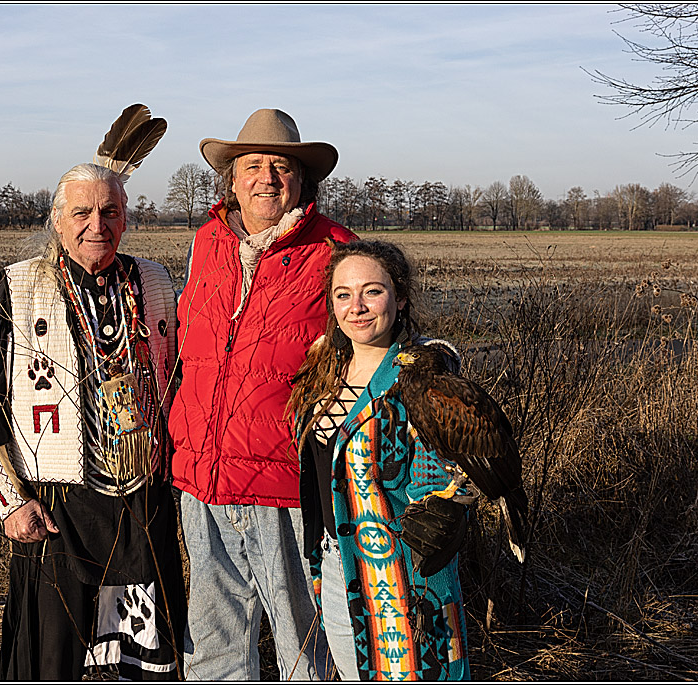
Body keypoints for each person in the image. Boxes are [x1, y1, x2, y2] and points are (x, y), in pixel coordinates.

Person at [0, 162, 186, 680]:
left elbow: (185, 380)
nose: (96, 224)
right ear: (58, 221)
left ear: (126, 220)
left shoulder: (156, 283)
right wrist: (9, 504)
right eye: (81, 212)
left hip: (142, 506)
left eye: (110, 211)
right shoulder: (18, 291)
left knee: (144, 659)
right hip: (57, 510)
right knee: (53, 658)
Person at [168, 108, 356, 680]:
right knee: (214, 644)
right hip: (202, 481)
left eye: (281, 166)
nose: (266, 177)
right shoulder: (208, 243)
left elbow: (373, 355)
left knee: (305, 646)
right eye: (253, 165)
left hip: (287, 487)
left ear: (303, 180)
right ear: (231, 178)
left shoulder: (336, 252)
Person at [287, 239, 471, 680]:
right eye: (343, 294)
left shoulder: (425, 375)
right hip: (336, 565)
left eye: (373, 291)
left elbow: (449, 478)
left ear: (401, 297)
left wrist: (453, 508)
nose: (358, 307)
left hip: (403, 574)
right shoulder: (324, 370)